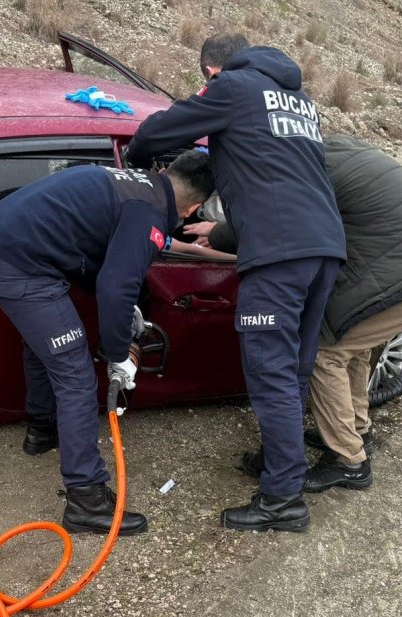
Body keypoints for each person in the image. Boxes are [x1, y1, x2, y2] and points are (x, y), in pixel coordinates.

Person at [126, 32, 346, 533]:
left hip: (278, 251)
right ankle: (281, 463)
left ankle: (283, 499)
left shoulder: (232, 87)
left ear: (211, 72)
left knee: (269, 371)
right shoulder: (297, 98)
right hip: (324, 247)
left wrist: (137, 158)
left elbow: (156, 133)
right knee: (292, 369)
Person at [211, 135, 402, 491]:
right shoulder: (330, 149)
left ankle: (348, 461)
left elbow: (270, 219)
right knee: (352, 348)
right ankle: (355, 432)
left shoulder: (300, 169)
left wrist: (216, 233)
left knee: (325, 354)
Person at [0, 152, 215, 536]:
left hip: (4, 247)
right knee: (76, 376)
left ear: (166, 170)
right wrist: (118, 355)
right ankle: (86, 500)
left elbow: (100, 259)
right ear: (193, 209)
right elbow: (115, 287)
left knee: (45, 347)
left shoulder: (134, 185)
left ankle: (42, 429)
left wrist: (125, 311)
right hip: (18, 263)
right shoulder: (148, 213)